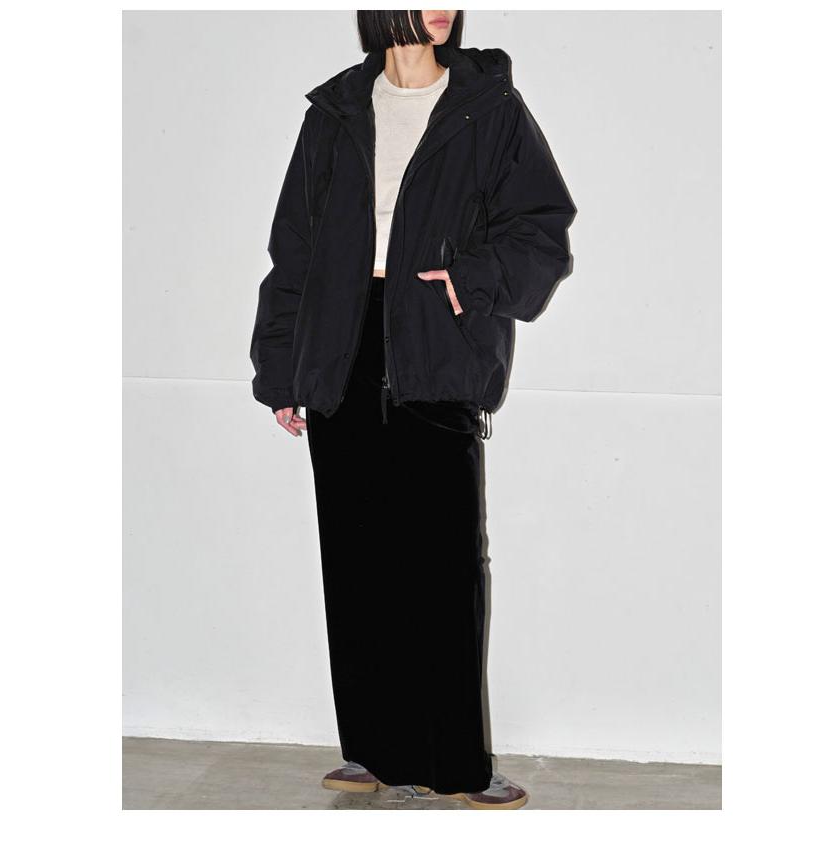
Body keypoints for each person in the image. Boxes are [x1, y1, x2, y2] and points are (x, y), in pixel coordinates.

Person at [249, 10, 576, 810]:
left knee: (444, 566)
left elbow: (541, 228)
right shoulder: (335, 110)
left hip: (436, 340)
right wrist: (283, 367)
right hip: (342, 346)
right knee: (357, 562)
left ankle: (458, 761)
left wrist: (470, 280)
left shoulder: (486, 106)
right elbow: (294, 248)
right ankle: (375, 746)